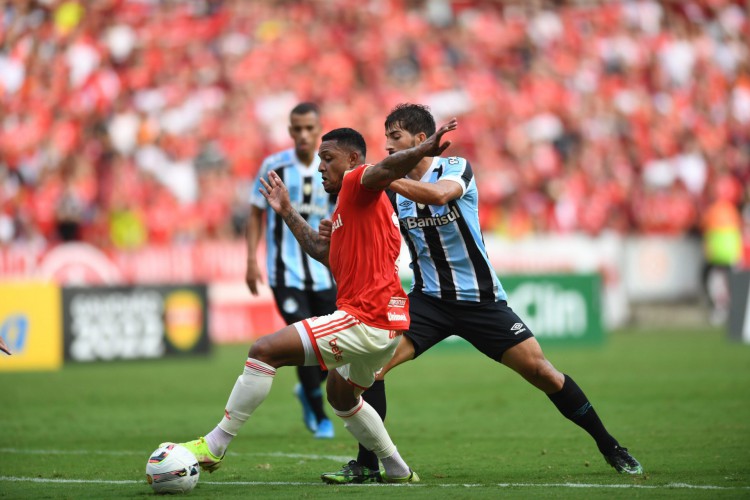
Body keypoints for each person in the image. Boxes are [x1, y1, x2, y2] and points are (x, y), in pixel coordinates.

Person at [320, 104, 643, 484]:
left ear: (420, 141)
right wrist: (336, 232)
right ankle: (368, 464)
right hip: (428, 301)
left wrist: (378, 178)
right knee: (370, 370)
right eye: (386, 137)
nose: (387, 145)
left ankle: (610, 445)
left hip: (481, 300)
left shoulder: (454, 168)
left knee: (543, 372)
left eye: (395, 137)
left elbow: (439, 197)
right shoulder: (389, 193)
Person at [167, 119, 458, 483]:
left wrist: (421, 149)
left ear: (352, 159)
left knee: (263, 350)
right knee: (340, 394)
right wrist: (287, 210)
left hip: (365, 318)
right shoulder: (353, 209)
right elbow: (324, 252)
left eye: (328, 158)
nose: (320, 166)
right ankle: (398, 469)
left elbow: (382, 168)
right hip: (389, 325)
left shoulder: (358, 179)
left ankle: (215, 445)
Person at [246, 102, 337, 438]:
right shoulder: (274, 166)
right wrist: (251, 260)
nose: (303, 135)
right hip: (285, 273)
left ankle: (309, 388)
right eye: (297, 129)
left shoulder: (332, 167)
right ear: (289, 131)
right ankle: (319, 415)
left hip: (325, 272)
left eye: (309, 128)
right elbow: (255, 213)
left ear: (319, 129)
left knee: (330, 345)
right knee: (303, 339)